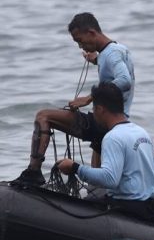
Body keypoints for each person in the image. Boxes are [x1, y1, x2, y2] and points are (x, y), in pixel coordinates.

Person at [16, 12, 135, 185]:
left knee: (43, 116)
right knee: (97, 184)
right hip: (117, 123)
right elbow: (114, 67)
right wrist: (97, 59)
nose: (80, 46)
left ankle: (33, 172)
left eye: (80, 40)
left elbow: (125, 81)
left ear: (92, 33)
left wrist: (88, 98)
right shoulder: (117, 49)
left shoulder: (111, 54)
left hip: (104, 123)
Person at [56, 82, 154, 220]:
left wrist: (74, 167)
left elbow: (110, 179)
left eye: (93, 109)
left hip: (129, 208)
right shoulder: (142, 133)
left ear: (100, 109)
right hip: (151, 206)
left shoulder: (113, 137)